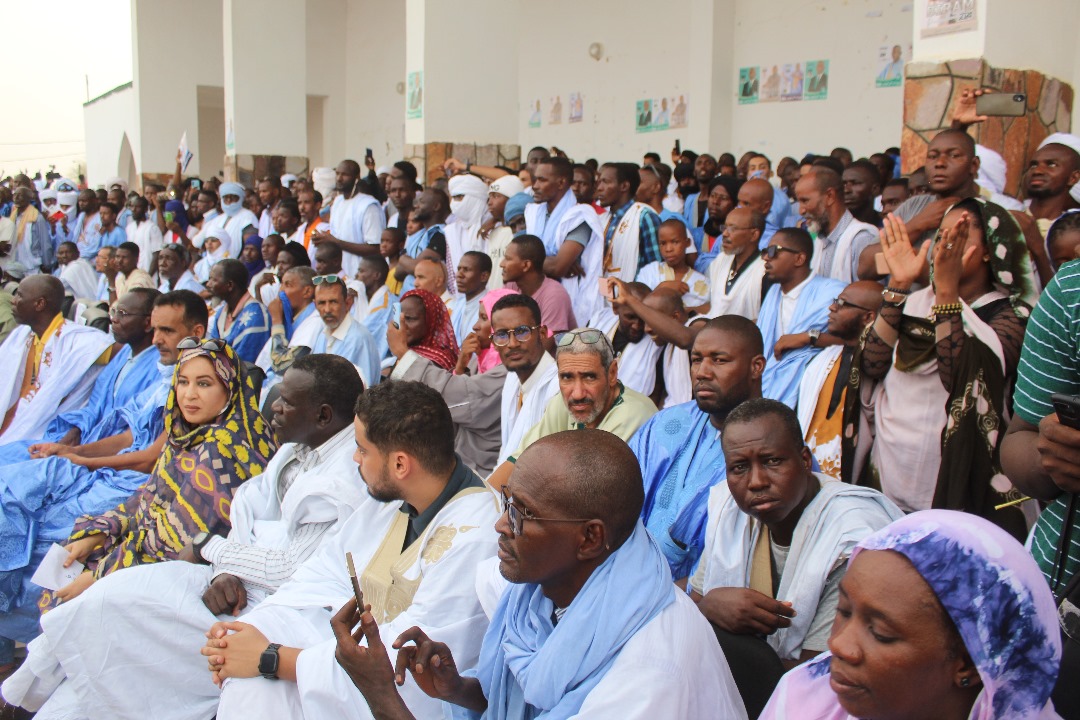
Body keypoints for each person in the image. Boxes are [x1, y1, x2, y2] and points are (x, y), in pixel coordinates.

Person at [0, 356, 369, 720]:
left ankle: (21, 701)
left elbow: (289, 568)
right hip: (229, 576)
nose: (273, 405)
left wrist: (209, 548)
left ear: (323, 416)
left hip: (270, 605)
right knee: (104, 600)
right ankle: (21, 698)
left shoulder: (338, 476)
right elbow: (244, 515)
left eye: (286, 401)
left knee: (113, 617)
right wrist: (222, 570)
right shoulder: (294, 448)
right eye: (183, 382)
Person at [336, 430, 748, 720]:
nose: (500, 525)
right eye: (507, 503)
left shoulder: (648, 673)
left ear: (590, 538)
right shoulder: (540, 592)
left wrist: (381, 694)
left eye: (522, 514)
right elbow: (521, 695)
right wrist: (458, 688)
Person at [199, 381, 499, 720]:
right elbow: (323, 575)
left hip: (395, 701)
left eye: (362, 450)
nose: (355, 458)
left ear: (400, 465)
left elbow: (414, 672)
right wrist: (248, 635)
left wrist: (272, 658)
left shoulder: (475, 537)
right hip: (337, 666)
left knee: (258, 685)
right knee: (250, 684)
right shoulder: (400, 493)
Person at [691, 399, 901, 717]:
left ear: (804, 460)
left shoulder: (851, 536)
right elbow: (695, 606)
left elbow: (818, 678)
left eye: (772, 461)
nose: (757, 481)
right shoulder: (729, 512)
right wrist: (708, 606)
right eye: (739, 467)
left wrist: (714, 620)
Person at [760, 510, 1062, 720]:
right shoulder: (802, 700)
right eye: (844, 611)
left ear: (968, 664)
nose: (838, 645)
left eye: (880, 634)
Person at [865, 203, 1037, 539]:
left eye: (958, 236)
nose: (945, 244)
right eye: (941, 234)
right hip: (891, 469)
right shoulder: (916, 301)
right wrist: (899, 284)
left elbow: (961, 381)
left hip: (954, 478)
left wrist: (947, 292)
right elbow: (873, 363)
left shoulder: (1011, 315)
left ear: (988, 250)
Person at [628, 316, 765, 578]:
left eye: (719, 360)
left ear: (756, 367)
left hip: (704, 596)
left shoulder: (774, 444)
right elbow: (621, 495)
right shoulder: (666, 422)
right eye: (696, 359)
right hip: (629, 575)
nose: (702, 372)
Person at [486, 326, 657, 491]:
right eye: (567, 377)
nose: (577, 393)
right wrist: (484, 500)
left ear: (612, 373)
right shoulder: (562, 403)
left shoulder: (633, 415)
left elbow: (585, 492)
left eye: (589, 377)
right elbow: (520, 463)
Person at [390, 289, 518, 478]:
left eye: (484, 318)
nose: (475, 326)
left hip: (482, 470)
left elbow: (463, 398)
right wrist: (461, 365)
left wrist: (403, 353)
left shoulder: (511, 370)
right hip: (461, 458)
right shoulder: (480, 358)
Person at [0, 275, 114, 443]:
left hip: (42, 430)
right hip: (14, 419)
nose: (13, 300)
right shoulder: (22, 334)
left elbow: (121, 350)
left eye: (20, 296)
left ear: (39, 304)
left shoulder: (79, 341)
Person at [796, 281, 883, 483]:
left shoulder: (879, 370)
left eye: (842, 303)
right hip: (811, 477)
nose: (832, 307)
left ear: (868, 317)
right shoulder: (822, 361)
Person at [757, 228, 846, 408]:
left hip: (812, 391)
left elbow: (855, 339)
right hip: (766, 385)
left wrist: (807, 337)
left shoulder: (833, 292)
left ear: (799, 258)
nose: (766, 258)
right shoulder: (773, 292)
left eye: (773, 251)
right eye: (765, 252)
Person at [526, 157, 605, 323]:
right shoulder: (533, 213)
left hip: (569, 304)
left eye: (542, 180)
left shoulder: (580, 217)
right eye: (535, 179)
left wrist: (526, 263)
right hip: (535, 299)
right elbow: (517, 254)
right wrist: (549, 260)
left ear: (561, 183)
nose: (535, 186)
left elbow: (557, 268)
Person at [489, 294, 560, 466]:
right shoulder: (512, 379)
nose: (512, 343)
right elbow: (507, 450)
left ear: (542, 333)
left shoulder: (557, 387)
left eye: (522, 332)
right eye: (502, 334)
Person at [794, 166, 880, 283]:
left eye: (805, 201)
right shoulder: (819, 240)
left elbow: (871, 292)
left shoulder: (861, 239)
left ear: (829, 196)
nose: (801, 211)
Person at [316, 159, 385, 279]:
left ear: (356, 177)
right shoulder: (337, 202)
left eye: (345, 174)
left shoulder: (368, 206)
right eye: (337, 174)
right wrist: (323, 239)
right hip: (339, 276)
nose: (339, 178)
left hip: (361, 276)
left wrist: (336, 242)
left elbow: (375, 248)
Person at [310, 275, 381, 387]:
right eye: (322, 303)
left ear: (348, 303)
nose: (327, 309)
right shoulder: (324, 335)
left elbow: (364, 389)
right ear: (315, 305)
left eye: (333, 302)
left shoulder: (358, 339)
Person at [596, 162, 662, 282]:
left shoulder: (644, 216)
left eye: (606, 182)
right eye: (599, 182)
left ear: (624, 186)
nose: (599, 188)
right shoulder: (602, 219)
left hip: (636, 291)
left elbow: (656, 268)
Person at [501, 234, 577, 337]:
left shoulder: (554, 295)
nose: (501, 264)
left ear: (526, 265)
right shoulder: (511, 286)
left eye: (508, 259)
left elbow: (545, 344)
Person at [636, 218, 710, 314]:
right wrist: (661, 289)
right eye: (663, 243)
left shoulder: (702, 283)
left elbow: (712, 310)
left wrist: (686, 310)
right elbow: (637, 306)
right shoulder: (650, 272)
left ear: (687, 243)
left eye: (675, 242)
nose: (668, 249)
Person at [707, 206, 769, 321]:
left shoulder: (765, 270)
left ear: (754, 235)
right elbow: (713, 307)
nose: (725, 234)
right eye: (724, 227)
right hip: (712, 327)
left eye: (733, 229)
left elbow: (765, 320)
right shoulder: (720, 260)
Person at [207, 258, 272, 364]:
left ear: (230, 285)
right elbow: (211, 351)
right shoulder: (221, 313)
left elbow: (243, 362)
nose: (208, 284)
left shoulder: (256, 316)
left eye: (214, 280)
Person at [392, 288, 460, 373]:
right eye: (399, 318)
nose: (402, 324)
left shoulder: (437, 361)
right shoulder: (407, 350)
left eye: (410, 319)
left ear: (430, 322)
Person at [396, 189, 450, 294]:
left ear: (436, 206)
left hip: (424, 299)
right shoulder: (418, 234)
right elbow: (398, 273)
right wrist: (408, 264)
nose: (416, 206)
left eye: (421, 202)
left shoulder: (441, 234)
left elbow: (417, 267)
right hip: (406, 297)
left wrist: (402, 258)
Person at [481, 176, 525, 291]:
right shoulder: (492, 232)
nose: (490, 202)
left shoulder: (520, 231)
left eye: (496, 196)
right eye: (489, 197)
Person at [691, 174, 742, 272]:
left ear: (735, 204)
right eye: (712, 196)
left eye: (723, 198)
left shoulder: (738, 239)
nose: (715, 202)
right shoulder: (695, 235)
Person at [352, 255, 397, 366]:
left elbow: (361, 336)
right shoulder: (361, 298)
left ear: (376, 275)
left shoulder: (387, 305)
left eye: (361, 271)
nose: (356, 275)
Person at [443, 174, 490, 273]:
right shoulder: (451, 231)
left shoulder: (494, 227)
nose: (454, 203)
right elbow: (451, 272)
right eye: (453, 198)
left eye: (459, 197)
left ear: (476, 197)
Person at [5, 187, 52, 274]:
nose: (16, 198)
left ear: (29, 198)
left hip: (32, 266)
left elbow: (45, 243)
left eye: (20, 195)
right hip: (16, 266)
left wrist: (47, 264)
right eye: (15, 195)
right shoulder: (13, 217)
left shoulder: (37, 217)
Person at [449, 251, 490, 344]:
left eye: (466, 270)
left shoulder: (489, 306)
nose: (459, 275)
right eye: (459, 269)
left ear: (484, 276)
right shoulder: (459, 303)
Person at [124, 195, 163, 274]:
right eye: (132, 206)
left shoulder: (152, 228)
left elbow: (157, 254)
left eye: (137, 207)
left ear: (145, 209)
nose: (134, 209)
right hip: (133, 273)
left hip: (148, 272)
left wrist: (149, 275)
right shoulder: (129, 227)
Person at [841, 160, 883, 228]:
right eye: (844, 184)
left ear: (875, 189)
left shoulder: (887, 226)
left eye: (855, 183)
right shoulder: (830, 228)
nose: (846, 190)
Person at [69, 190, 103, 260]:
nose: (81, 204)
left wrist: (80, 257)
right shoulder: (81, 215)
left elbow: (97, 245)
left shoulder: (100, 218)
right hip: (76, 256)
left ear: (94, 201)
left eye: (84, 201)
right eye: (79, 201)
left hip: (91, 259)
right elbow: (75, 237)